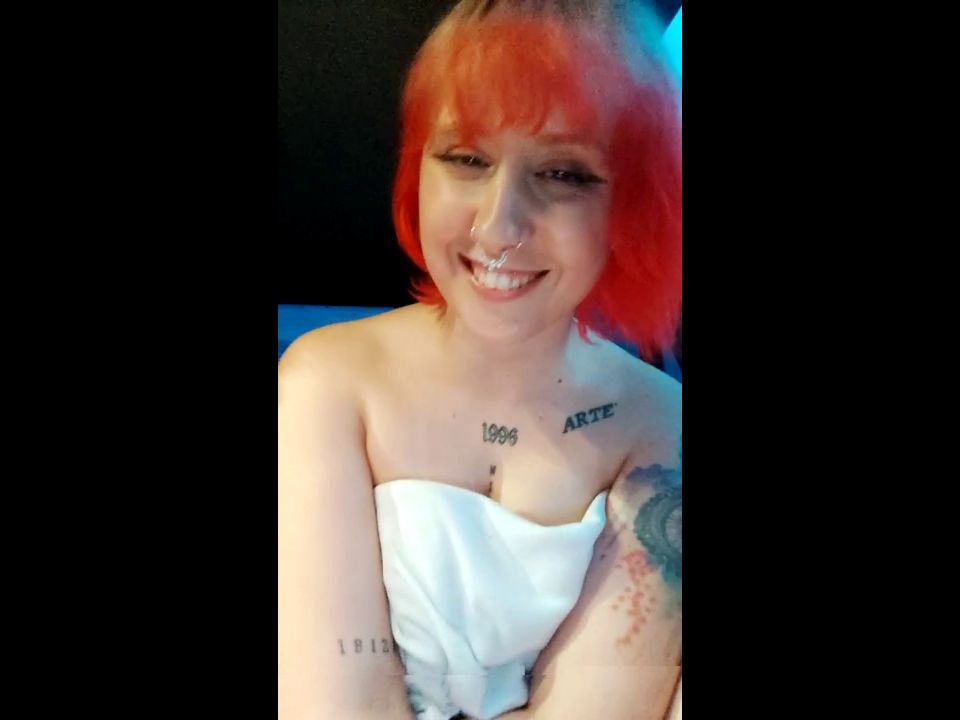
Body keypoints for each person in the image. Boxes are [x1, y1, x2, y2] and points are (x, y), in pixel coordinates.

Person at [278, 1, 682, 718]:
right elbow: (335, 700)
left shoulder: (663, 427)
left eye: (563, 173)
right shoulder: (323, 382)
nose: (498, 227)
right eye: (467, 159)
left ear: (632, 204)